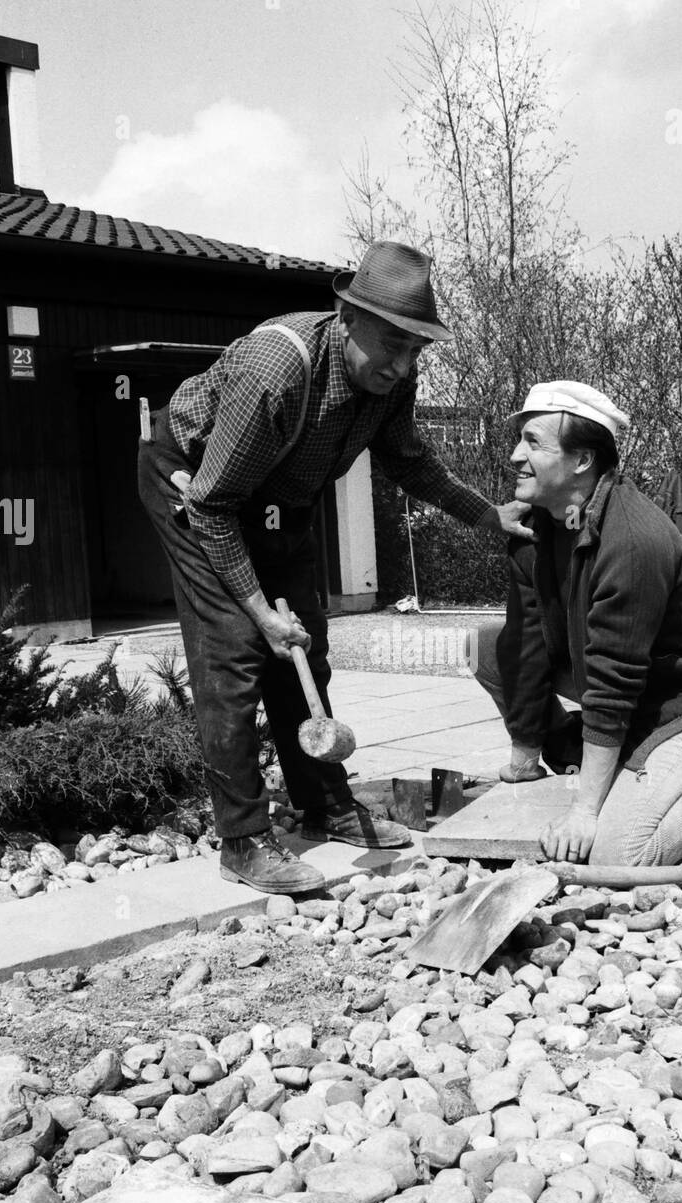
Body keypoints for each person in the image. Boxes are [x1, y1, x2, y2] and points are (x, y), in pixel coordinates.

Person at [138, 241, 534, 894]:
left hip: (279, 501)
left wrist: (487, 515)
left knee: (306, 650)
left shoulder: (391, 379)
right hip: (193, 485)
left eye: (415, 350)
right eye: (392, 343)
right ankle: (243, 841)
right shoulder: (278, 370)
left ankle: (325, 805)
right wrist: (260, 612)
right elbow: (213, 505)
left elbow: (410, 461)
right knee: (236, 653)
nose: (402, 364)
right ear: (346, 318)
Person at [473, 380, 682, 866]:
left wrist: (586, 812)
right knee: (488, 646)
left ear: (582, 461)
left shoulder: (633, 541)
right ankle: (582, 748)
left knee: (619, 855)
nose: (513, 456)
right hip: (630, 680)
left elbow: (615, 683)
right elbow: (527, 641)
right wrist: (526, 754)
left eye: (533, 442)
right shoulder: (536, 527)